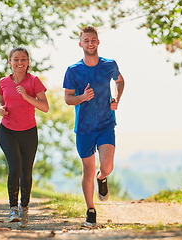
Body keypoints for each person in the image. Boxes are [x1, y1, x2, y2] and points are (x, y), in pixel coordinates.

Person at [63, 26, 125, 227]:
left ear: (98, 42)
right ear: (80, 44)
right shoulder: (73, 70)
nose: (90, 43)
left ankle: (103, 177)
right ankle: (90, 209)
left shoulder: (109, 65)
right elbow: (68, 99)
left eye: (93, 40)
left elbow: (120, 81)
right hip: (84, 128)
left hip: (106, 122)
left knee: (107, 166)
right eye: (86, 40)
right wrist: (82, 97)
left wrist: (117, 97)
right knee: (87, 170)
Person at [0, 47, 49, 228]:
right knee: (15, 167)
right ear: (9, 62)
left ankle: (24, 208)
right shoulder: (3, 82)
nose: (20, 63)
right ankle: (13, 209)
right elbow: (1, 100)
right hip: (7, 130)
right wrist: (0, 108)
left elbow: (45, 107)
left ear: (28, 62)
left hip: (28, 132)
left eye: (23, 59)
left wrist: (26, 96)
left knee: (26, 171)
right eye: (16, 59)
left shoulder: (34, 81)